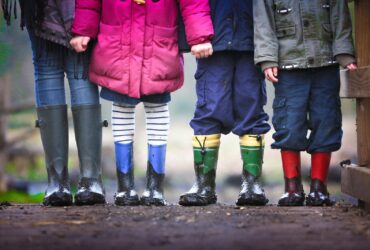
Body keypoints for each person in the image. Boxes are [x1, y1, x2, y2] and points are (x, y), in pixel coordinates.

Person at [70, 0, 214, 206]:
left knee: (156, 108)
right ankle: (124, 187)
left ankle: (155, 187)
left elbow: (193, 3)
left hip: (158, 45)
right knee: (121, 106)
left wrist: (199, 36)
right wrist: (83, 28)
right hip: (117, 44)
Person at [1, 0, 106, 206]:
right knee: (67, 72)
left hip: (62, 10)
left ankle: (65, 182)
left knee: (66, 71)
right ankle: (82, 181)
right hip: (54, 10)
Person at [254, 0, 357, 206]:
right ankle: (292, 188)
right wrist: (267, 59)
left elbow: (340, 15)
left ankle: (319, 187)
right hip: (287, 65)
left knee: (326, 122)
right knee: (288, 124)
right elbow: (263, 22)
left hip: (326, 62)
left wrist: (344, 53)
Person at [178, 0, 271, 207]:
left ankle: (252, 183)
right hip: (211, 42)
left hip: (253, 42)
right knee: (208, 110)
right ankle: (204, 185)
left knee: (252, 111)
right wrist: (197, 34)